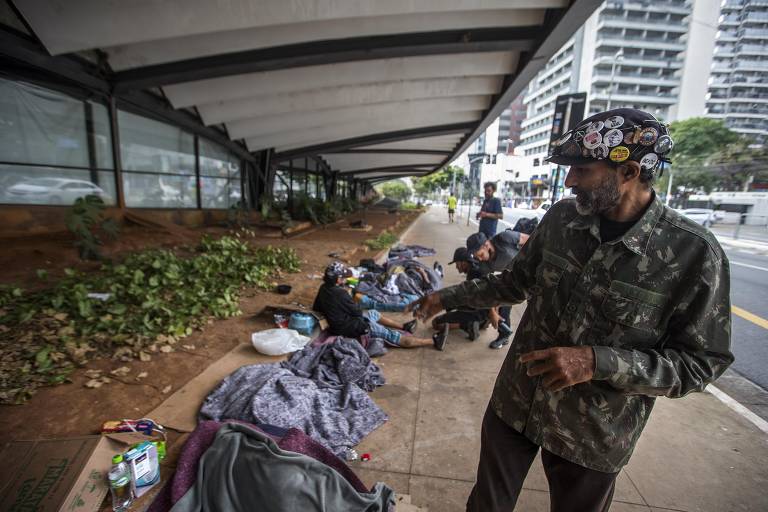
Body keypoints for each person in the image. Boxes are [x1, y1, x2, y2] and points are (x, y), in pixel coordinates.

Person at [409, 108, 733, 512]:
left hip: (593, 433)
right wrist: (447, 297)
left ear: (629, 172)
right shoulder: (562, 218)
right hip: (516, 402)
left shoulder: (693, 254)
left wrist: (598, 363)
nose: (569, 181)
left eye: (581, 169)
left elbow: (702, 363)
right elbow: (514, 282)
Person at [313, 262, 439, 349]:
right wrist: (347, 302)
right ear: (338, 280)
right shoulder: (341, 293)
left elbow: (316, 307)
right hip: (354, 327)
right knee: (392, 335)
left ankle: (403, 326)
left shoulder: (323, 288)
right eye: (344, 277)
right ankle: (433, 341)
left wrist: (337, 310)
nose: (346, 279)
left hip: (341, 324)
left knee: (373, 312)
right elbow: (357, 312)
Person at [465, 229, 529, 349]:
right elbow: (489, 291)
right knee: (503, 306)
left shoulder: (505, 238)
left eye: (480, 254)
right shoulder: (484, 266)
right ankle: (504, 334)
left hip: (528, 275)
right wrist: (493, 312)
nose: (479, 259)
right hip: (510, 283)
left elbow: (532, 241)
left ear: (486, 244)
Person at [430, 247, 492, 347]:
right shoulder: (477, 269)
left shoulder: (474, 273)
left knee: (436, 323)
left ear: (463, 262)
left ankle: (468, 324)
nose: (456, 267)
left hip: (479, 311)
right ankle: (481, 322)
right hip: (482, 310)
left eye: (457, 264)